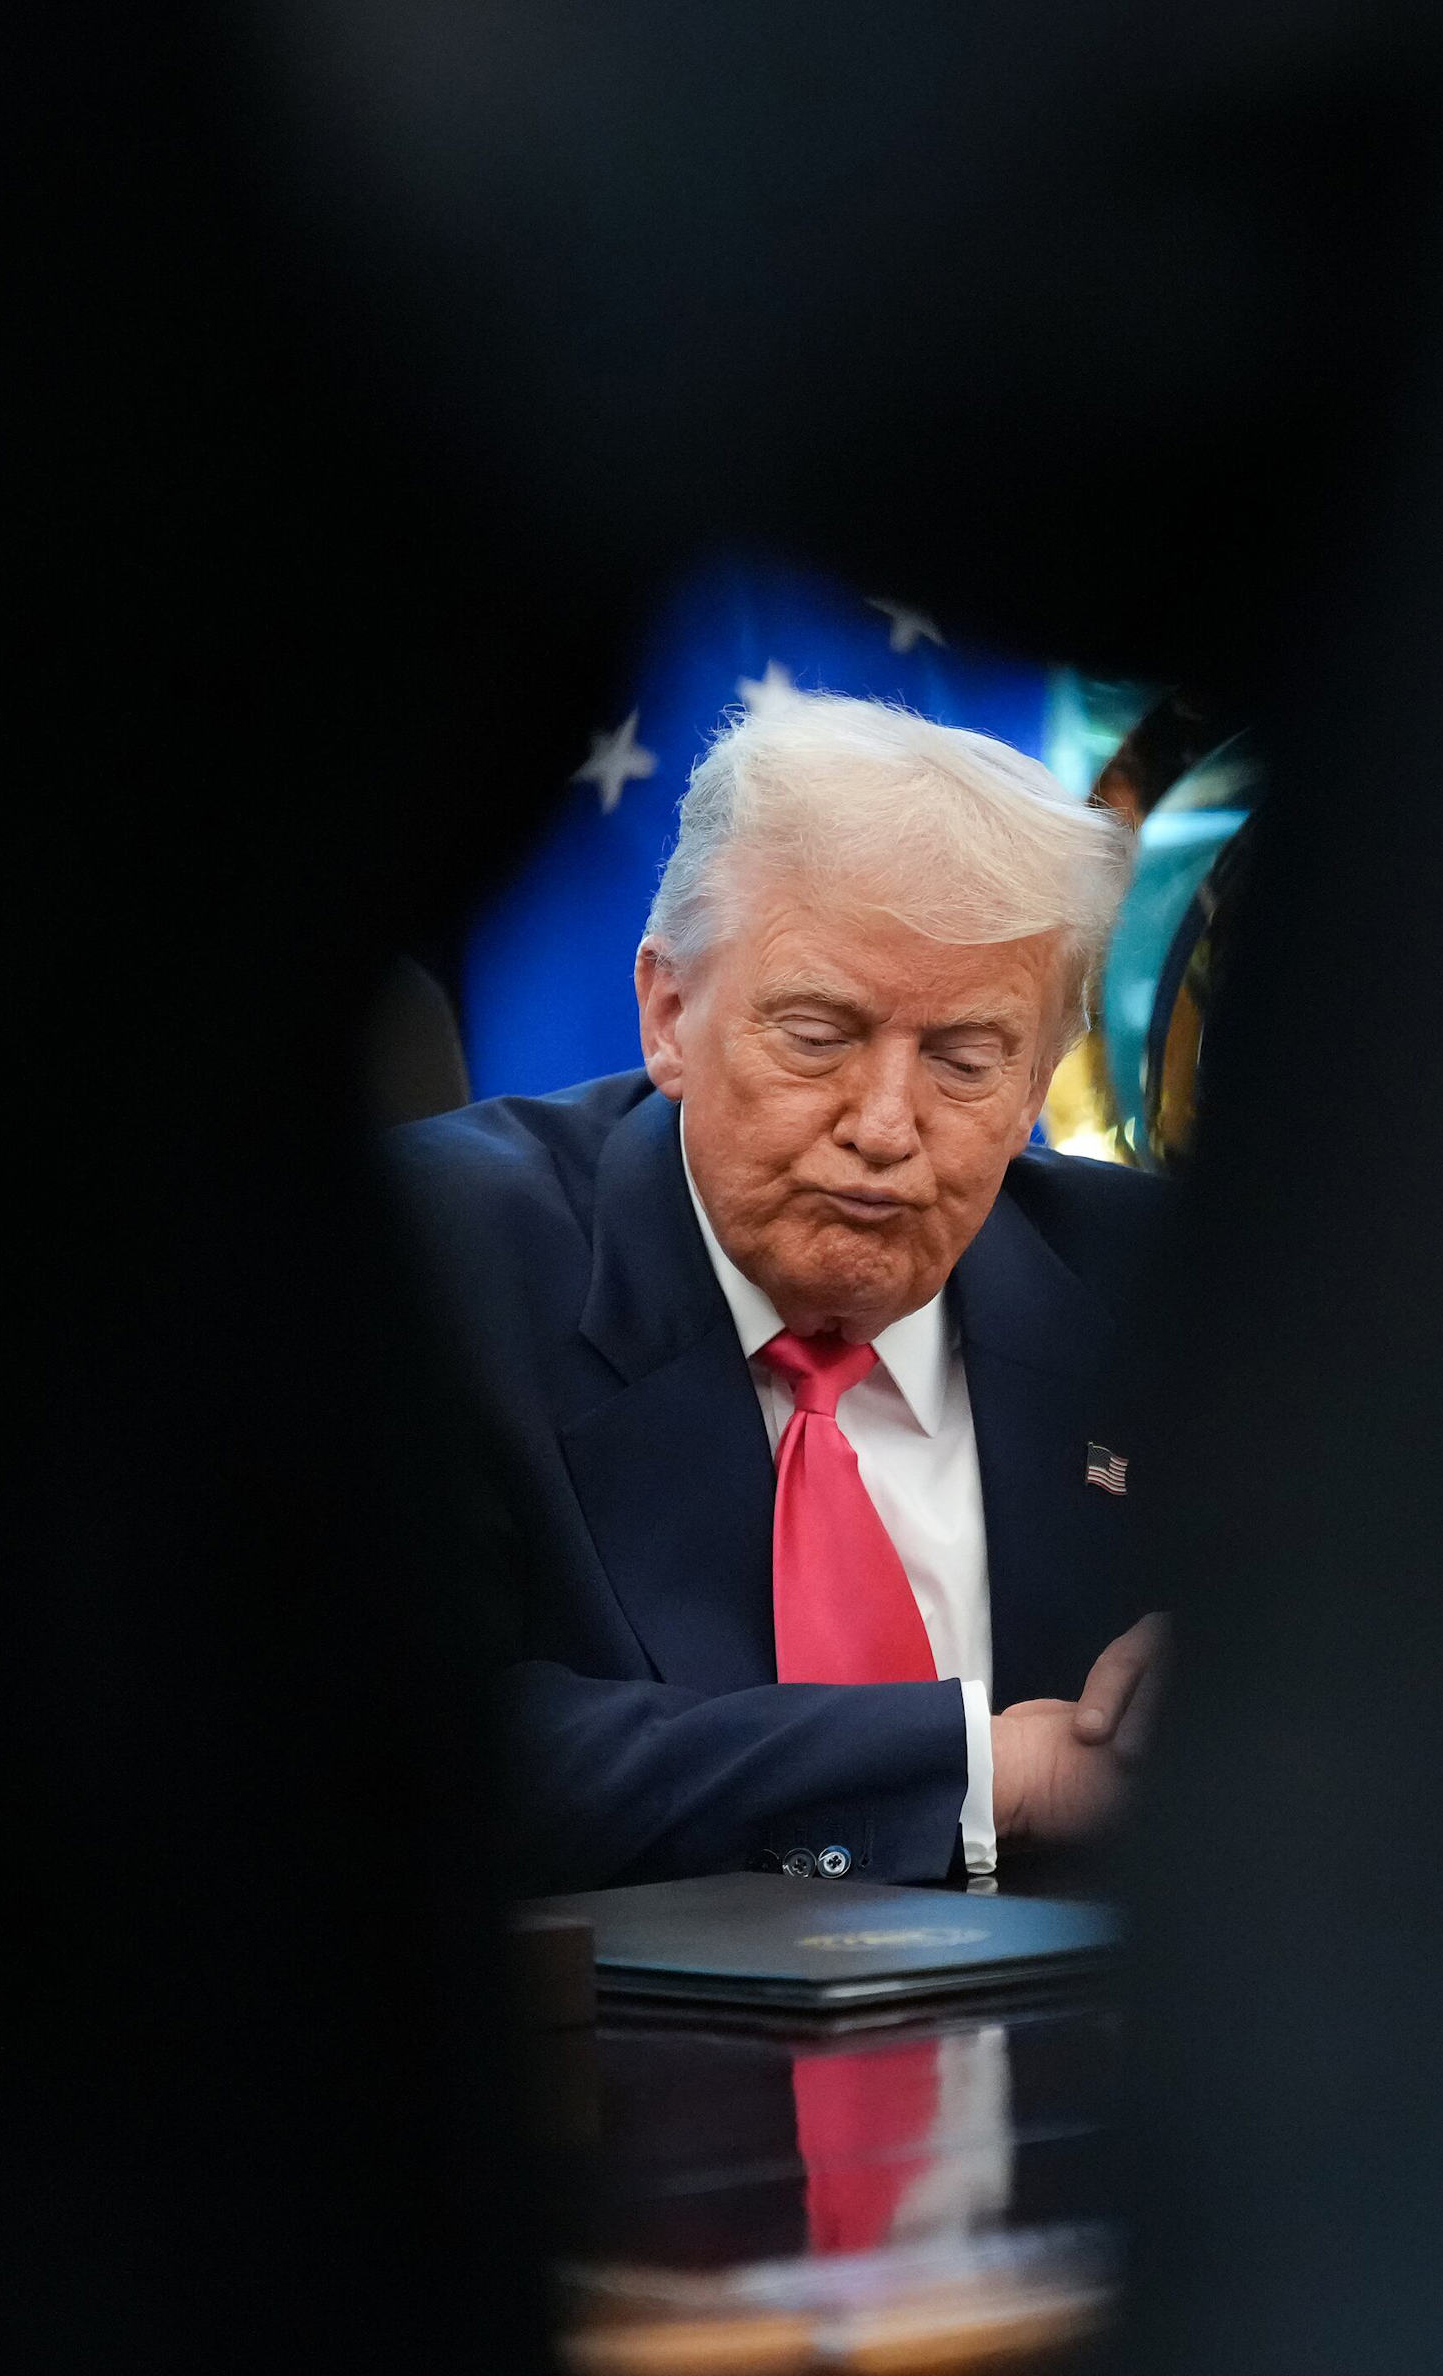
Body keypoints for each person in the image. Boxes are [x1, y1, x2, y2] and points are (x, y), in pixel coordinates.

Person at [395, 691, 1173, 1893]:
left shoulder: (1167, 1285)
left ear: (1036, 1085)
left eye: (964, 1061)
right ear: (669, 1014)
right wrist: (988, 1770)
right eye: (817, 1036)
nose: (884, 1127)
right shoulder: (435, 1256)